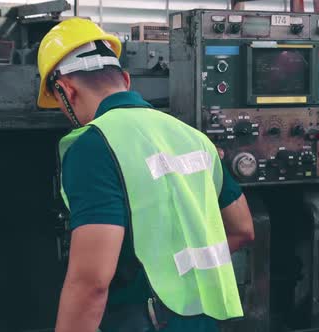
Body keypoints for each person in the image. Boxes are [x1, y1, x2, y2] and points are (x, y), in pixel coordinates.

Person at [36, 18, 255, 332]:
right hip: (202, 320)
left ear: (66, 91)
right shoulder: (194, 138)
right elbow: (243, 229)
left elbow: (91, 282)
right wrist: (178, 276)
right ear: (126, 79)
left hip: (144, 321)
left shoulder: (93, 147)